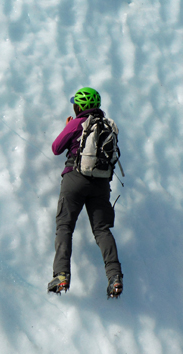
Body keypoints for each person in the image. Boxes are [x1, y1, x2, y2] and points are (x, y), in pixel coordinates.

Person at [47, 87, 123, 298]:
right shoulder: (107, 126)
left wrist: (69, 128)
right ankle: (115, 277)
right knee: (102, 230)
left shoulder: (77, 123)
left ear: (79, 106)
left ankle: (61, 275)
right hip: (100, 184)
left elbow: (56, 148)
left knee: (65, 226)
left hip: (75, 179)